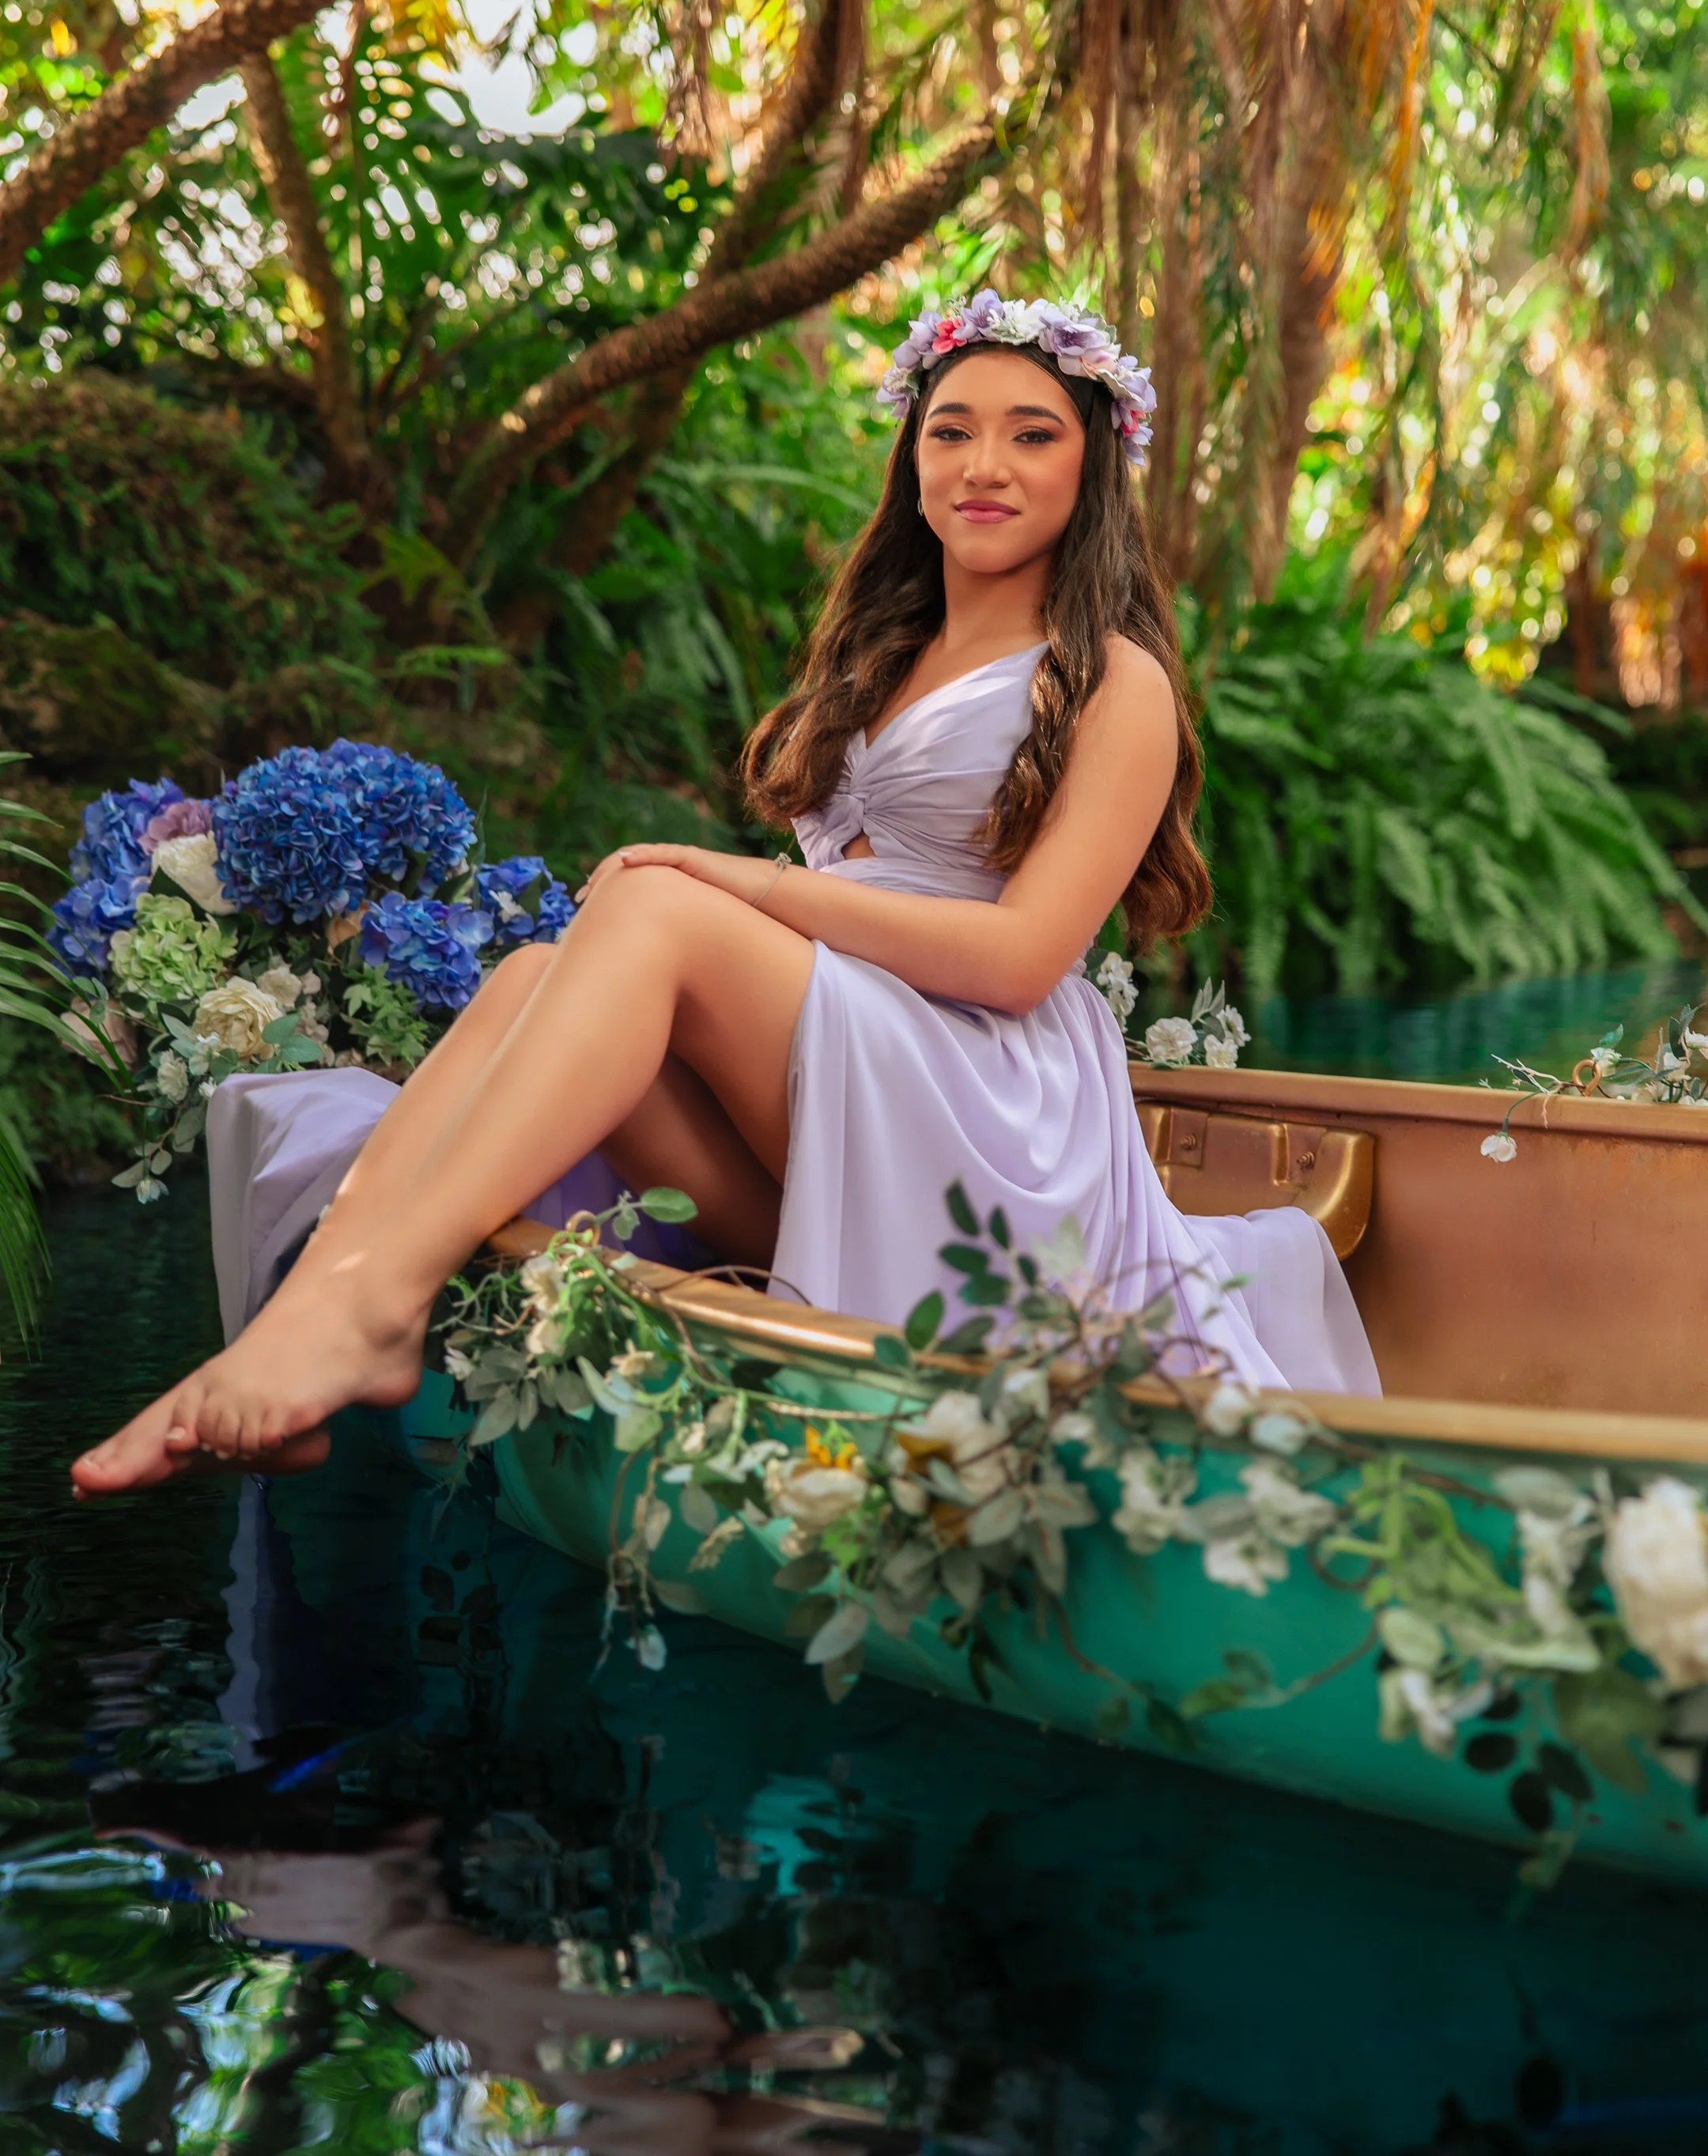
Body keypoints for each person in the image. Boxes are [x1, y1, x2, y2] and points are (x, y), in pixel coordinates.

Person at [72, 290, 1376, 1497]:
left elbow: (1027, 958)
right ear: (911, 457)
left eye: (1031, 436)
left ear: (1091, 462)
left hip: (993, 1111)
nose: (984, 466)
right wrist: (748, 898)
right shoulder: (888, 648)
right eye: (952, 431)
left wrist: (742, 885)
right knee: (530, 976)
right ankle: (321, 1317)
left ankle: (371, 1308)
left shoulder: (1114, 681)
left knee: (654, 906)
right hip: (845, 1092)